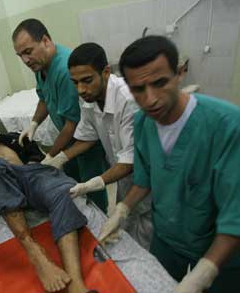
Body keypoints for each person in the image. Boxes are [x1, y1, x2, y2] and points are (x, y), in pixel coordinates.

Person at [98, 35, 240, 292]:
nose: (150, 99)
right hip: (167, 237)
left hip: (219, 245)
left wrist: (201, 276)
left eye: (160, 83)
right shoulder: (143, 123)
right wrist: (122, 210)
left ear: (180, 73)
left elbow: (235, 217)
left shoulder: (227, 126)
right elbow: (145, 178)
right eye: (138, 89)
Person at [44, 42, 152, 249]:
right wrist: (59, 158)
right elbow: (88, 135)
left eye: (86, 80)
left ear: (106, 72)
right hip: (123, 177)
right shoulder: (88, 98)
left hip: (147, 181)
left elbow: (131, 159)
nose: (80, 89)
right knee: (127, 229)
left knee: (148, 235)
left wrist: (92, 183)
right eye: (74, 82)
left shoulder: (128, 101)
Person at [13, 19, 108, 211]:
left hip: (84, 142)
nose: (25, 60)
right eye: (20, 55)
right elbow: (45, 98)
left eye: (28, 51)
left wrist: (50, 156)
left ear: (46, 41)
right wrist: (34, 123)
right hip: (67, 141)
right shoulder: (40, 66)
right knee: (72, 186)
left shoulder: (65, 69)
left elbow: (72, 123)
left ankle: (99, 222)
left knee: (91, 192)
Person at [0, 141, 89, 293]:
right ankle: (37, 255)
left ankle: (76, 284)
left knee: (60, 194)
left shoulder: (14, 139)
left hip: (33, 171)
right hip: (0, 177)